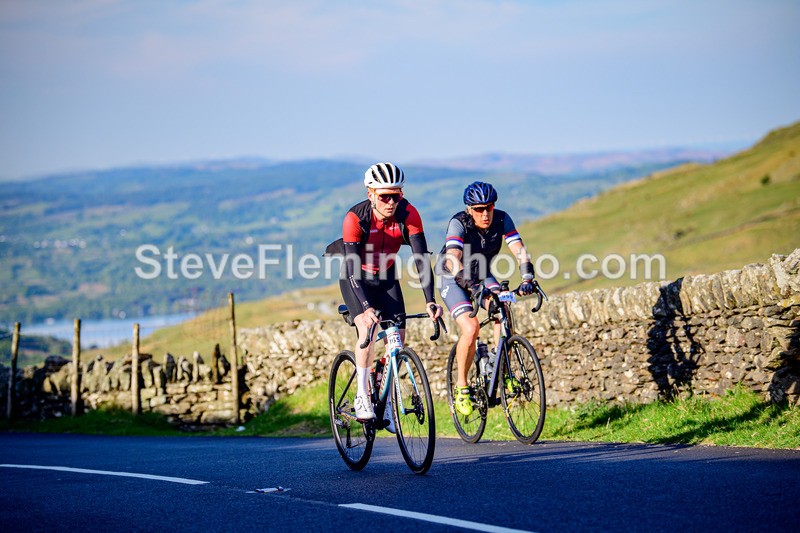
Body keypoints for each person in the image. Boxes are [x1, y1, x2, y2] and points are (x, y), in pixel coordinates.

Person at [338, 162, 443, 424]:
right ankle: (363, 393)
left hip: (386, 277)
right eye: (384, 196)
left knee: (398, 340)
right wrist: (364, 307)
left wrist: (431, 300)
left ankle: (385, 400)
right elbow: (351, 269)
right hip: (356, 278)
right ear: (370, 194)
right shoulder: (355, 219)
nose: (391, 202)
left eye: (396, 196)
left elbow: (421, 259)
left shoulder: (409, 215)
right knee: (368, 331)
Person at [437, 181, 537, 416]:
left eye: (489, 208)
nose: (485, 214)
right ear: (469, 209)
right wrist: (470, 287)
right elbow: (453, 258)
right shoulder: (458, 222)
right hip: (452, 276)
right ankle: (462, 385)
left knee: (503, 309)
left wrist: (527, 278)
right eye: (479, 209)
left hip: (481, 273)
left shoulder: (502, 219)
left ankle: (500, 370)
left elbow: (520, 250)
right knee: (471, 329)